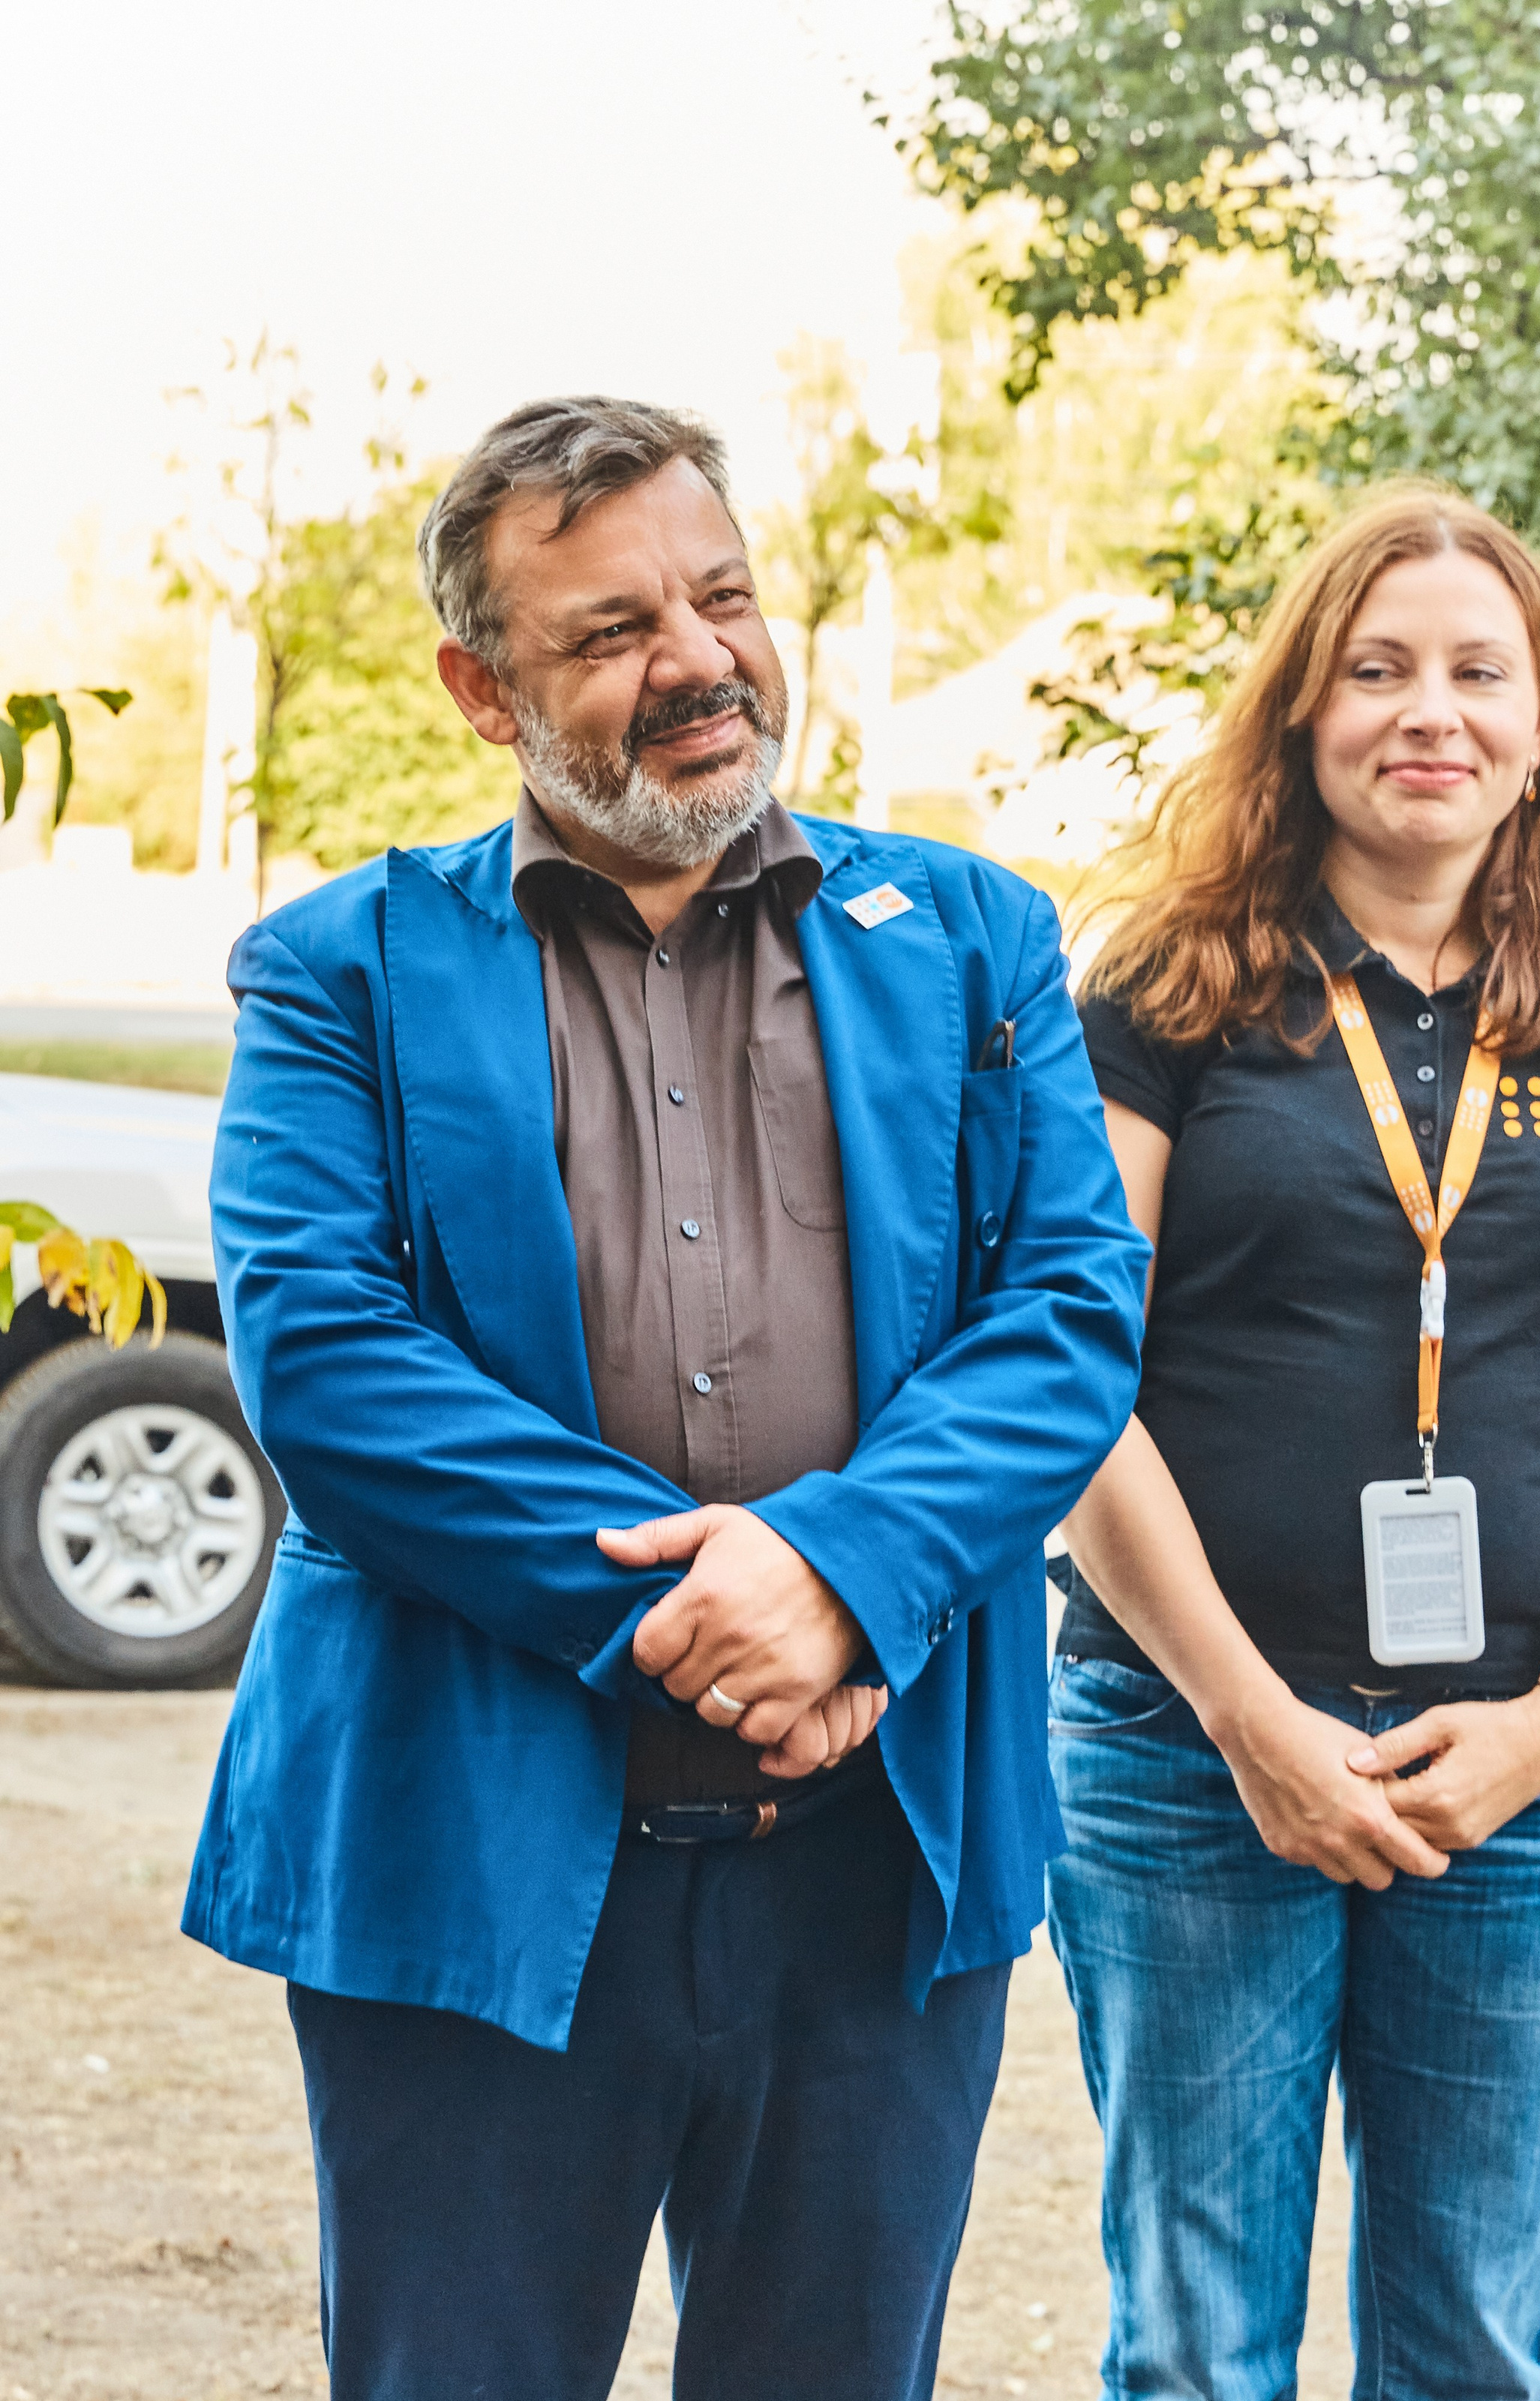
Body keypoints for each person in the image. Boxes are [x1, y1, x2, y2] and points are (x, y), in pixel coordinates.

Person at [182, 396, 1148, 2401]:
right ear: (483, 688)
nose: (701, 660)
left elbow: (1066, 1306)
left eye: (722, 595)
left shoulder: (973, 939)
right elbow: (333, 1364)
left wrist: (845, 1575)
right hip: (469, 1854)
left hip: (879, 1860)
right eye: (615, 629)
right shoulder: (336, 972)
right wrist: (710, 1618)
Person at [1047, 483, 1540, 2400]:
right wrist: (1247, 1716)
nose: (1426, 710)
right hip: (1188, 1758)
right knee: (1192, 2346)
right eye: (1375, 668)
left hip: (1511, 1776)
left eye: (1474, 673)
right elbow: (1068, 1385)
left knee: (1466, 2346)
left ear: (1538, 729)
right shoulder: (1161, 994)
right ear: (1299, 713)